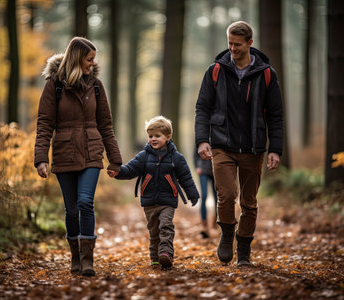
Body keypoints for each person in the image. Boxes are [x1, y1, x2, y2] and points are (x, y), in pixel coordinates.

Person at [195, 21, 284, 267]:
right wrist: (202, 140)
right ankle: (226, 235)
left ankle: (243, 248)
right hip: (222, 145)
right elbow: (202, 108)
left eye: (237, 44)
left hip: (253, 148)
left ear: (249, 44)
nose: (232, 48)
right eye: (229, 43)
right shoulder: (215, 70)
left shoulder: (267, 74)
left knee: (249, 202)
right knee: (226, 196)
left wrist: (275, 148)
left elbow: (275, 115)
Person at [34, 37, 122, 276]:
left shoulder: (96, 86)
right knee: (71, 209)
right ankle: (75, 255)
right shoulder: (55, 85)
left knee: (85, 202)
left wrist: (115, 159)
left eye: (94, 60)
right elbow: (44, 123)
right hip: (64, 153)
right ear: (76, 58)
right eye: (89, 59)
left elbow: (106, 125)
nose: (92, 64)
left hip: (92, 153)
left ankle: (87, 260)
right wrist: (41, 157)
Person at [107, 116, 199, 269]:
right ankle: (155, 258)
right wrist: (118, 172)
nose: (153, 139)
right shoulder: (144, 156)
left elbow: (185, 177)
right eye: (150, 136)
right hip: (149, 201)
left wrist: (193, 194)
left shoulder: (176, 158)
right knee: (154, 230)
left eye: (157, 136)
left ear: (168, 137)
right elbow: (130, 169)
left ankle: (166, 254)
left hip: (168, 201)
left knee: (166, 226)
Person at [193, 149, 218, 239]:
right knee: (204, 195)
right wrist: (197, 167)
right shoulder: (201, 135)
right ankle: (204, 225)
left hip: (216, 169)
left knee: (217, 198)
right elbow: (195, 154)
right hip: (203, 170)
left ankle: (215, 224)